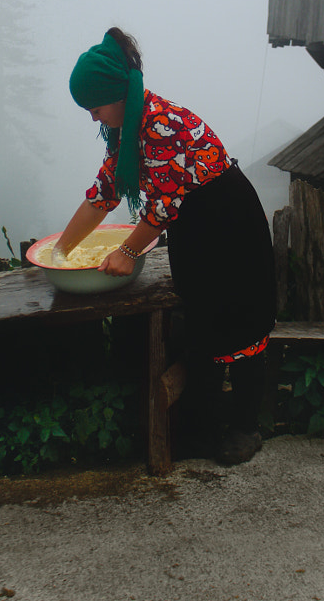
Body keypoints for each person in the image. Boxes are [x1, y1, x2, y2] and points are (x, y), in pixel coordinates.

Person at [56, 27, 277, 465]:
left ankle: (246, 426)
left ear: (118, 95)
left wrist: (129, 252)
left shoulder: (160, 124)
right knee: (204, 321)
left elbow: (162, 207)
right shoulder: (128, 131)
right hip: (195, 226)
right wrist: (59, 254)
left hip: (228, 222)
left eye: (95, 107)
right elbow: (103, 194)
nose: (94, 118)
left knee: (242, 324)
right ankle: (206, 429)